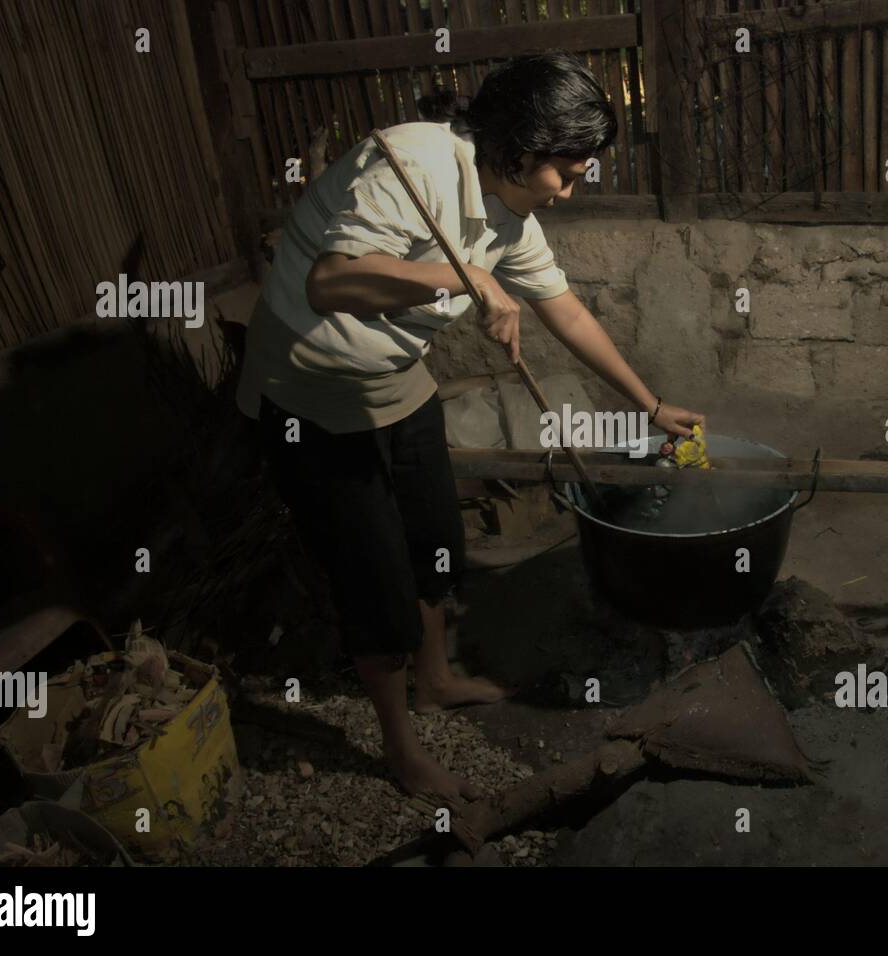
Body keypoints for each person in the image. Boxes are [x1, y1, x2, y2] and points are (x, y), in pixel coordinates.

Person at [235, 51, 704, 801]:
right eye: (570, 171)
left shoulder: (509, 213)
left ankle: (436, 679)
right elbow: (330, 281)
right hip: (314, 394)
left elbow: (566, 310)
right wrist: (463, 276)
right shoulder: (413, 164)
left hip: (397, 380)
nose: (571, 189)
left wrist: (647, 405)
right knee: (375, 581)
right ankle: (401, 747)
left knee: (434, 544)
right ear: (521, 149)